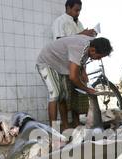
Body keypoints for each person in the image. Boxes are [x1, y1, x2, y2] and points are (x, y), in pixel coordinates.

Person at [36, 35, 113, 132]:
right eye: (99, 57)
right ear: (93, 50)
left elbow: (81, 58)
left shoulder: (93, 43)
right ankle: (53, 131)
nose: (98, 59)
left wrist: (83, 70)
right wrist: (87, 89)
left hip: (60, 65)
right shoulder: (79, 47)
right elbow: (73, 77)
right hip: (47, 62)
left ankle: (65, 126)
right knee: (55, 94)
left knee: (63, 96)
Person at [52, 0, 98, 128]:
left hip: (77, 62)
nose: (78, 13)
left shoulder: (79, 23)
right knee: (65, 95)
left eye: (79, 10)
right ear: (68, 8)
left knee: (77, 93)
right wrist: (83, 34)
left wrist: (83, 70)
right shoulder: (59, 22)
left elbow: (83, 48)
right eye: (76, 10)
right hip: (63, 63)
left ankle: (76, 121)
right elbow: (59, 42)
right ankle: (65, 124)